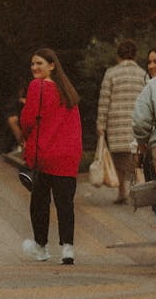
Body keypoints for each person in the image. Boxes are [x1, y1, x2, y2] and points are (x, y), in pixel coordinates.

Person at [20, 48, 82, 265]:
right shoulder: (68, 91)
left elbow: (27, 120)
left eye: (39, 63)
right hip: (67, 156)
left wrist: (25, 138)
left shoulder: (37, 86)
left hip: (44, 155)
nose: (35, 68)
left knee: (39, 202)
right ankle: (68, 248)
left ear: (52, 65)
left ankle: (41, 247)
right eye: (32, 64)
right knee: (65, 203)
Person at [96, 39, 146, 203]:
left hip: (116, 121)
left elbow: (104, 100)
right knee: (136, 158)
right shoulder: (142, 73)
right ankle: (137, 190)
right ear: (135, 55)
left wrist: (101, 124)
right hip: (136, 121)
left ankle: (121, 191)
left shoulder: (111, 73)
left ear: (118, 56)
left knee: (118, 159)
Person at [132, 43, 156, 229]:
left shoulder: (153, 86)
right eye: (149, 62)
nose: (151, 66)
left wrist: (143, 142)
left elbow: (140, 122)